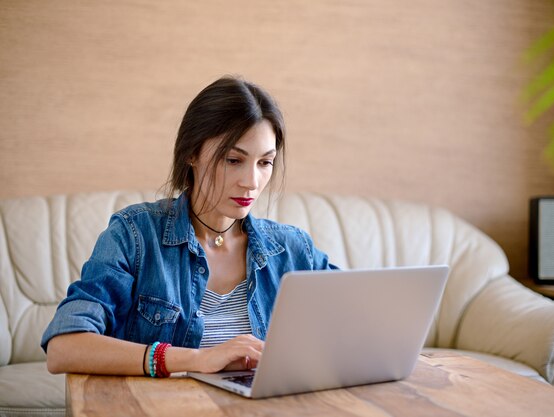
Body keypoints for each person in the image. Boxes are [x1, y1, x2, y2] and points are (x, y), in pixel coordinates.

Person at [41, 76, 337, 377]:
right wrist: (195, 359)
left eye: (265, 163)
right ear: (191, 154)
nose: (251, 182)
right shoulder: (135, 235)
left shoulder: (292, 249)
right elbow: (64, 348)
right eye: (233, 159)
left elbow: (364, 324)